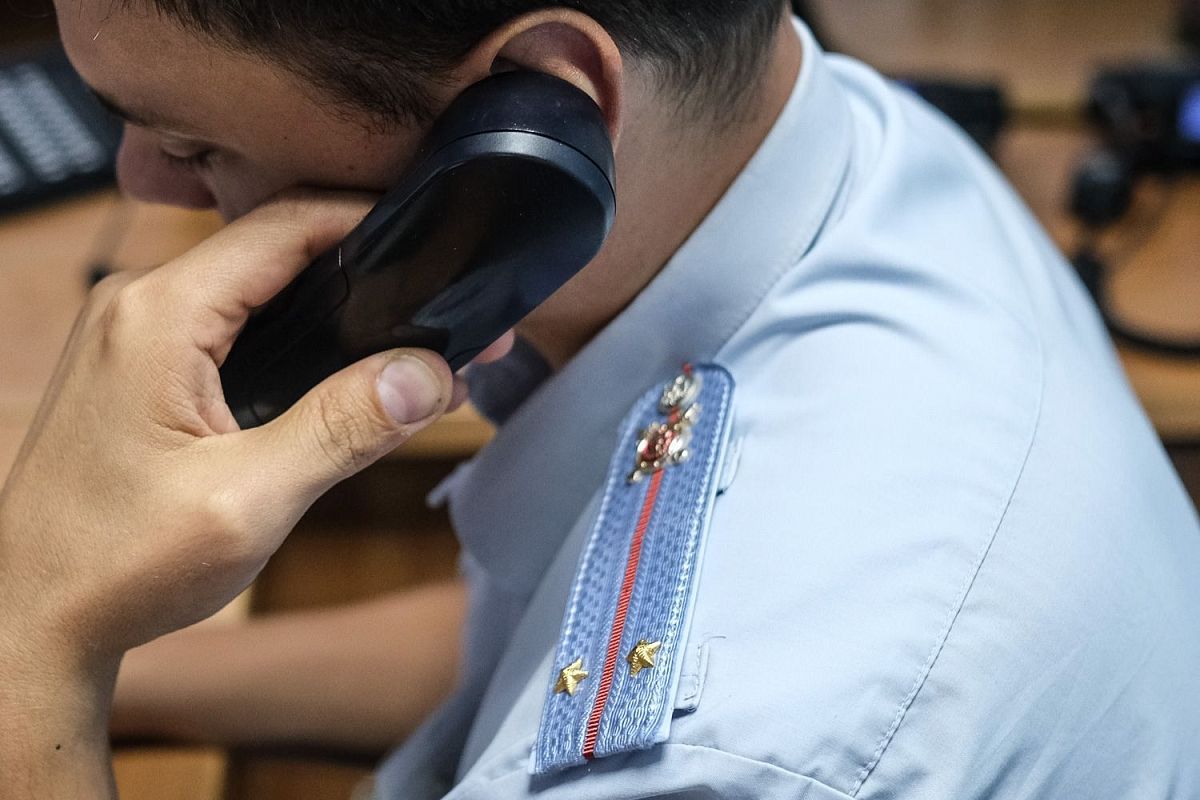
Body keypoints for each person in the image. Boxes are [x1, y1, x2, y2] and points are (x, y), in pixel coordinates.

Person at [2, 1, 1198, 798]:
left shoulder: (741, 753)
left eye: (188, 140)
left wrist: (35, 646)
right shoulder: (840, 148)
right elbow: (537, 646)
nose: (135, 178)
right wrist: (97, 647)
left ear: (529, 114)